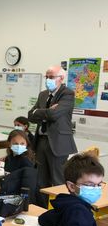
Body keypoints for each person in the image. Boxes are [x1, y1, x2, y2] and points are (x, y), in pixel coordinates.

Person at [28, 65, 77, 207]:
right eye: (47, 76)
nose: (48, 79)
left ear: (61, 78)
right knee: (41, 181)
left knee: (58, 181)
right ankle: (42, 211)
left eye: (51, 77)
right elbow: (30, 116)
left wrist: (40, 112)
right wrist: (47, 111)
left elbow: (55, 115)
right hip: (41, 141)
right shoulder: (43, 94)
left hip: (58, 143)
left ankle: (59, 212)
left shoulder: (67, 94)